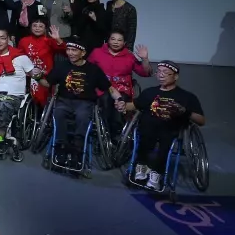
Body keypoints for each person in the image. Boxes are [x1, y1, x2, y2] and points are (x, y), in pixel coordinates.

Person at [116, 61, 205, 191]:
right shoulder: (149, 92)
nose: (161, 75)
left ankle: (156, 172)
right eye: (159, 72)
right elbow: (134, 105)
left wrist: (184, 112)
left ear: (175, 76)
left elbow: (201, 120)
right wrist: (123, 105)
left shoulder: (187, 97)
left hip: (170, 129)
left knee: (166, 136)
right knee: (145, 133)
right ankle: (141, 165)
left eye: (165, 72)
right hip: (148, 128)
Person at [34, 42, 121, 170]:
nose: (70, 53)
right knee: (59, 113)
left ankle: (78, 147)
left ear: (83, 53)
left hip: (85, 102)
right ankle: (61, 145)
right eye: (68, 49)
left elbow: (109, 88)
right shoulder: (62, 66)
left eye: (74, 50)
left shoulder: (93, 70)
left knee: (83, 116)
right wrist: (37, 76)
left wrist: (119, 99)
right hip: (64, 100)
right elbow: (47, 83)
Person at [89, 33, 151, 136]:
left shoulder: (129, 56)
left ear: (124, 43)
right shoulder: (97, 52)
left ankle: (116, 133)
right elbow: (87, 68)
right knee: (105, 99)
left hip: (122, 89)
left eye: (119, 40)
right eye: (113, 39)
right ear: (108, 40)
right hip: (101, 88)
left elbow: (145, 73)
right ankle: (105, 132)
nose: (116, 42)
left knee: (120, 102)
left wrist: (145, 59)